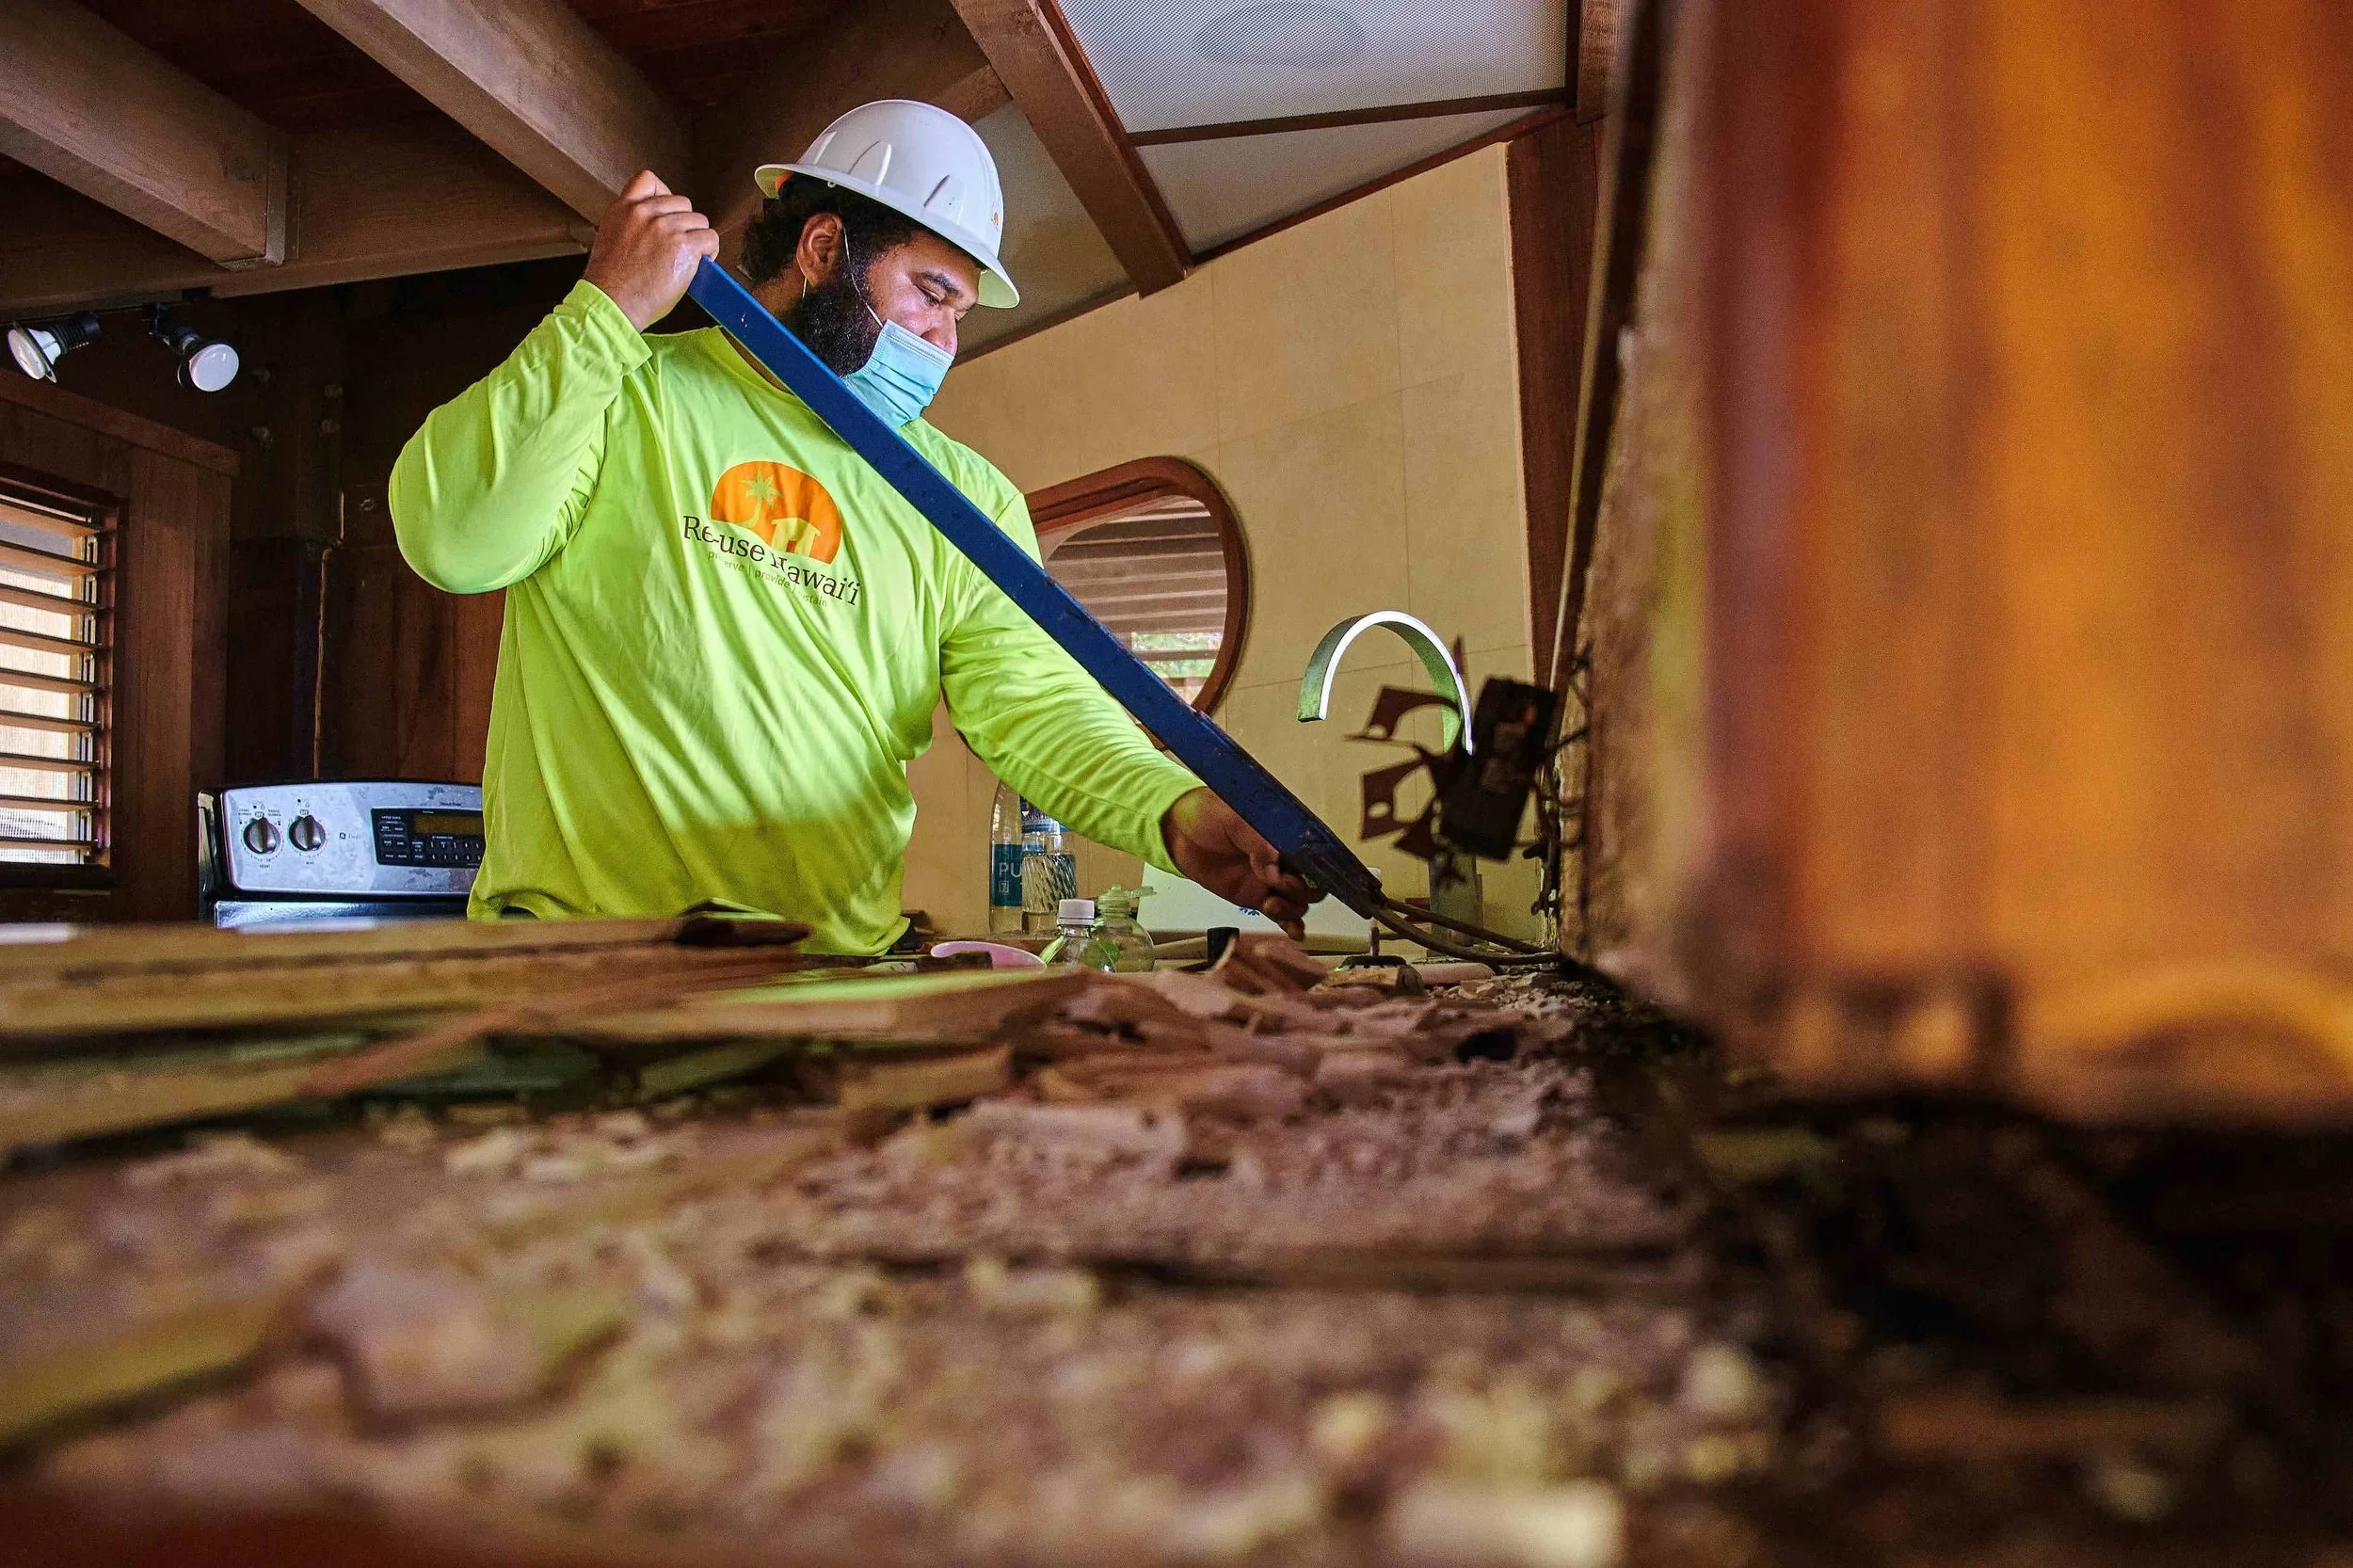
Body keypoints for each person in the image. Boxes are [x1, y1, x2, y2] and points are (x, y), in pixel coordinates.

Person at [391, 100, 1312, 952]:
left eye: (957, 311)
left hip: (826, 973)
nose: (946, 341)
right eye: (932, 292)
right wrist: (607, 310)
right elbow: (455, 538)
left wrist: (1174, 809)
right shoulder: (626, 390)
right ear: (826, 246)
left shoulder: (965, 495)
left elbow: (1035, 707)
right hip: (584, 960)